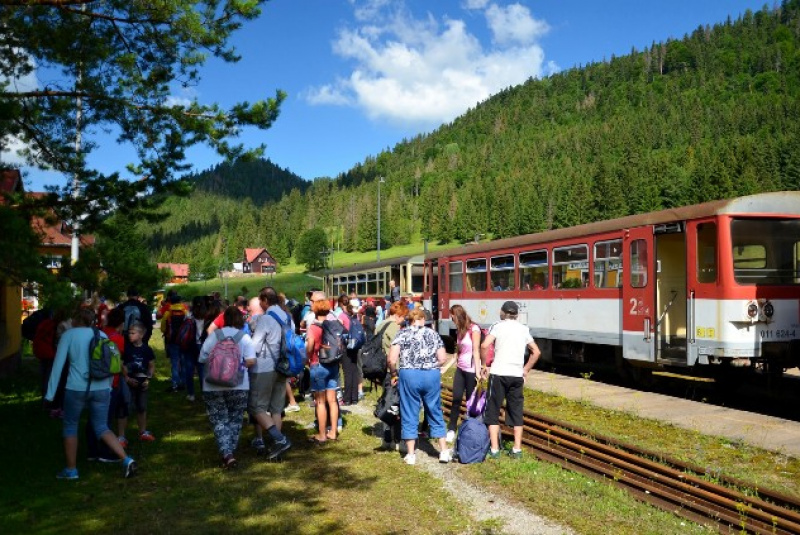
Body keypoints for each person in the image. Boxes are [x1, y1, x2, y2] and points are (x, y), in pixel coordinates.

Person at [45, 307, 137, 479]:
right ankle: (126, 459)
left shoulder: (68, 336)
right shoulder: (101, 335)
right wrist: (109, 386)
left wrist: (50, 395)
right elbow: (111, 363)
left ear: (76, 320)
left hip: (76, 388)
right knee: (102, 426)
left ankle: (71, 470)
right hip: (102, 387)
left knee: (71, 425)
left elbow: (57, 366)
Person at [388, 307, 450, 465]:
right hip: (431, 375)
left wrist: (394, 374)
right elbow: (442, 358)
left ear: (410, 320)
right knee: (434, 409)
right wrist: (430, 365)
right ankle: (443, 451)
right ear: (422, 319)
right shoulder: (433, 334)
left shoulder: (402, 333)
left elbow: (391, 359)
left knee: (409, 410)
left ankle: (411, 454)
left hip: (409, 375)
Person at [480, 301, 541, 460]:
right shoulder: (523, 329)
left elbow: (484, 345)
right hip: (516, 375)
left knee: (493, 410)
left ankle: (494, 450)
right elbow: (536, 352)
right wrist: (526, 369)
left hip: (499, 373)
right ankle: (517, 449)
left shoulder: (497, 326)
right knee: (516, 410)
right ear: (516, 314)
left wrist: (484, 364)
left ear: (502, 312)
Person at [198, 306, 257, 468]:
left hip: (212, 384)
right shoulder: (244, 338)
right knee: (235, 418)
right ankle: (229, 451)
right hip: (238, 384)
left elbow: (202, 358)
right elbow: (251, 360)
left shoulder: (214, 336)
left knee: (219, 419)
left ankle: (227, 453)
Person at [248, 287, 293, 460]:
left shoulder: (266, 318)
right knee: (276, 409)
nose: (260, 304)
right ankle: (277, 447)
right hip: (283, 367)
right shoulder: (286, 316)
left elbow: (255, 346)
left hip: (265, 367)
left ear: (265, 300)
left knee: (256, 406)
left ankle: (280, 440)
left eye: (260, 301)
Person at [86, 306, 127, 462]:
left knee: (93, 418)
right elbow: (119, 361)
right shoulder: (118, 338)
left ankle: (92, 450)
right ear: (122, 323)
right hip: (111, 382)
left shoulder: (101, 333)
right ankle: (104, 451)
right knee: (105, 421)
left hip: (94, 380)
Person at [305, 292, 341, 444]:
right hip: (333, 364)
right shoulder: (333, 324)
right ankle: (333, 431)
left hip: (318, 365)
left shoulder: (314, 326)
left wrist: (308, 355)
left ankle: (321, 434)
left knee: (320, 401)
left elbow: (310, 346)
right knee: (332, 400)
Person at [445, 304, 481, 444]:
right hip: (460, 369)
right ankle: (452, 429)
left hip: (471, 370)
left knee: (470, 402)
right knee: (456, 399)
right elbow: (457, 354)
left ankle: (471, 430)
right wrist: (445, 368)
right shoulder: (459, 330)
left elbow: (476, 350)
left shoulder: (474, 329)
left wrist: (478, 371)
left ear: (456, 315)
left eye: (451, 316)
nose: (451, 318)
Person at [375, 301, 407, 451]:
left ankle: (386, 437)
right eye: (403, 317)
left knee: (387, 402)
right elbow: (398, 351)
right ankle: (397, 440)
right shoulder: (395, 328)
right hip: (395, 370)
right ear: (398, 315)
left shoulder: (380, 324)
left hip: (382, 369)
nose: (404, 320)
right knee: (396, 406)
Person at [120, 322, 157, 443]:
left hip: (142, 383)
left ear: (141, 335)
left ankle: (142, 431)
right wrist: (127, 378)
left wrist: (148, 379)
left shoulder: (147, 349)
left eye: (133, 333)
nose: (130, 335)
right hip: (129, 383)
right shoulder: (126, 349)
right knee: (125, 407)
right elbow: (122, 365)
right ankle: (121, 436)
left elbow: (151, 365)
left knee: (142, 407)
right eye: (129, 333)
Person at [161, 293, 187, 393]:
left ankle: (175, 383)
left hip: (172, 340)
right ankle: (183, 382)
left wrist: (166, 333)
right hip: (183, 340)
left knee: (175, 362)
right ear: (180, 302)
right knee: (183, 361)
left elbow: (163, 327)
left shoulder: (168, 313)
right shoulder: (185, 311)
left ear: (170, 302)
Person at [183, 296, 207, 402]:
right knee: (202, 370)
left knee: (189, 369)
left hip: (190, 344)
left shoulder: (189, 315)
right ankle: (203, 393)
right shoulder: (206, 315)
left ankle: (191, 394)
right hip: (202, 344)